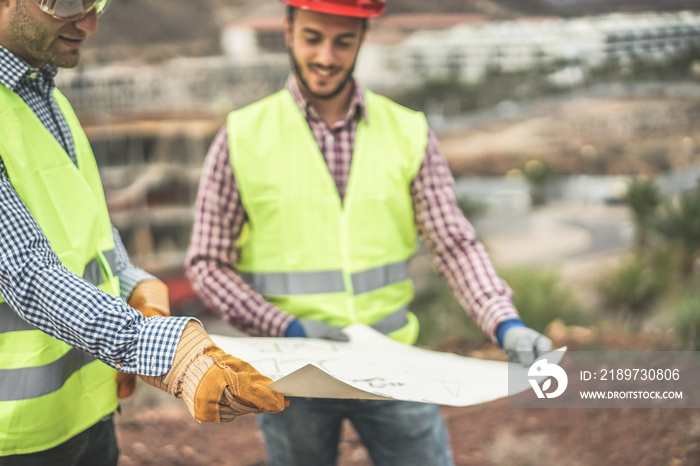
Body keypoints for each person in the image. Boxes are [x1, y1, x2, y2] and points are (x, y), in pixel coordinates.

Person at [186, 0, 553, 464]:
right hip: (292, 371)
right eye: (312, 38)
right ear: (287, 30)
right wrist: (286, 326)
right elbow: (207, 264)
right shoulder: (241, 136)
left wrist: (506, 323)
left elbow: (454, 245)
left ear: (362, 37)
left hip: (393, 366)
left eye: (343, 41)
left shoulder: (408, 131)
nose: (325, 57)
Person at [0, 0, 287, 463]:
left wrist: (133, 282)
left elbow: (83, 221)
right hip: (15, 440)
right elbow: (23, 272)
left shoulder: (43, 94)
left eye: (97, 3)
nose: (91, 23)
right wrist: (167, 353)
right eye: (70, 3)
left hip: (84, 417)